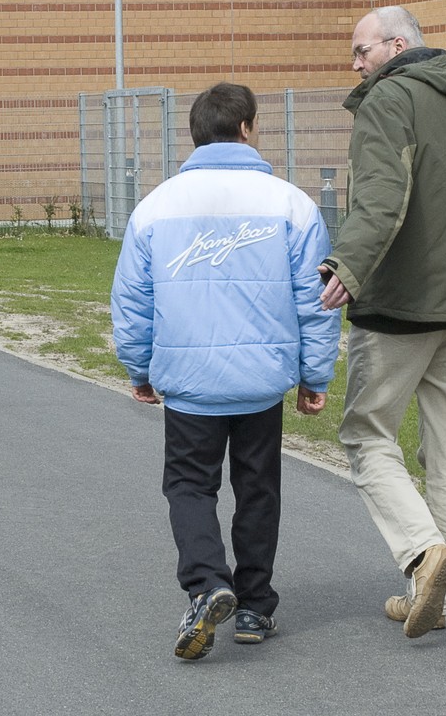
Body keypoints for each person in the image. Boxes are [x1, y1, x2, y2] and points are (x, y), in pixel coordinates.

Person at [111, 81, 340, 661]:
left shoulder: (156, 207)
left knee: (190, 485)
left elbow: (133, 302)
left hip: (190, 385)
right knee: (258, 487)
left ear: (194, 135)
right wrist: (315, 376)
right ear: (246, 129)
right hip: (260, 380)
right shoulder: (291, 204)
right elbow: (316, 299)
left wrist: (138, 368)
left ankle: (209, 582)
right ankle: (256, 607)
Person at [318, 6, 446, 639]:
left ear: (397, 45)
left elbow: (380, 193)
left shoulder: (387, 99)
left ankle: (423, 556)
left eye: (361, 50)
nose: (355, 63)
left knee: (366, 434)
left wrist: (349, 263)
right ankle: (435, 598)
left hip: (403, 303)